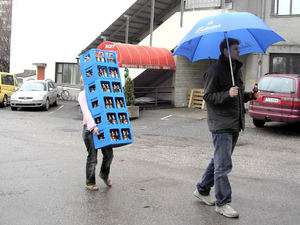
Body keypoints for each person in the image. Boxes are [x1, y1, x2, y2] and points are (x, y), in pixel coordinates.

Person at [193, 38, 258, 218]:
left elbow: (235, 96)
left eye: (238, 48)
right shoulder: (214, 70)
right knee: (223, 164)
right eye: (236, 49)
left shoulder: (236, 69)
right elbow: (208, 96)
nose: (239, 51)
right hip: (221, 124)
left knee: (219, 161)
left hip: (234, 123)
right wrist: (227, 93)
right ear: (225, 51)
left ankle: (202, 189)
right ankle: (222, 203)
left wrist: (249, 96)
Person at [78, 90, 114, 191]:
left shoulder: (100, 90)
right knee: (93, 157)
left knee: (109, 155)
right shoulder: (82, 94)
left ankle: (104, 174)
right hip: (90, 129)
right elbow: (86, 111)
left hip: (103, 128)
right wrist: (93, 126)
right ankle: (90, 182)